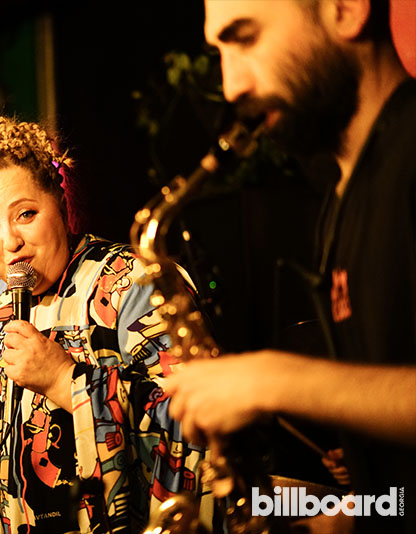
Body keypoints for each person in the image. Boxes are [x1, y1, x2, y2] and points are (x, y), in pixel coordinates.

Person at [163, 1, 416, 532]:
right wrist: (343, 519)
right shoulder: (343, 197)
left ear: (346, 9)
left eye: (246, 38)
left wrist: (272, 380)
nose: (231, 86)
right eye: (219, 50)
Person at [0, 117, 213, 533]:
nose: (10, 242)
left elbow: (196, 421)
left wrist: (64, 380)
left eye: (26, 214)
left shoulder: (134, 282)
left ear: (61, 205)